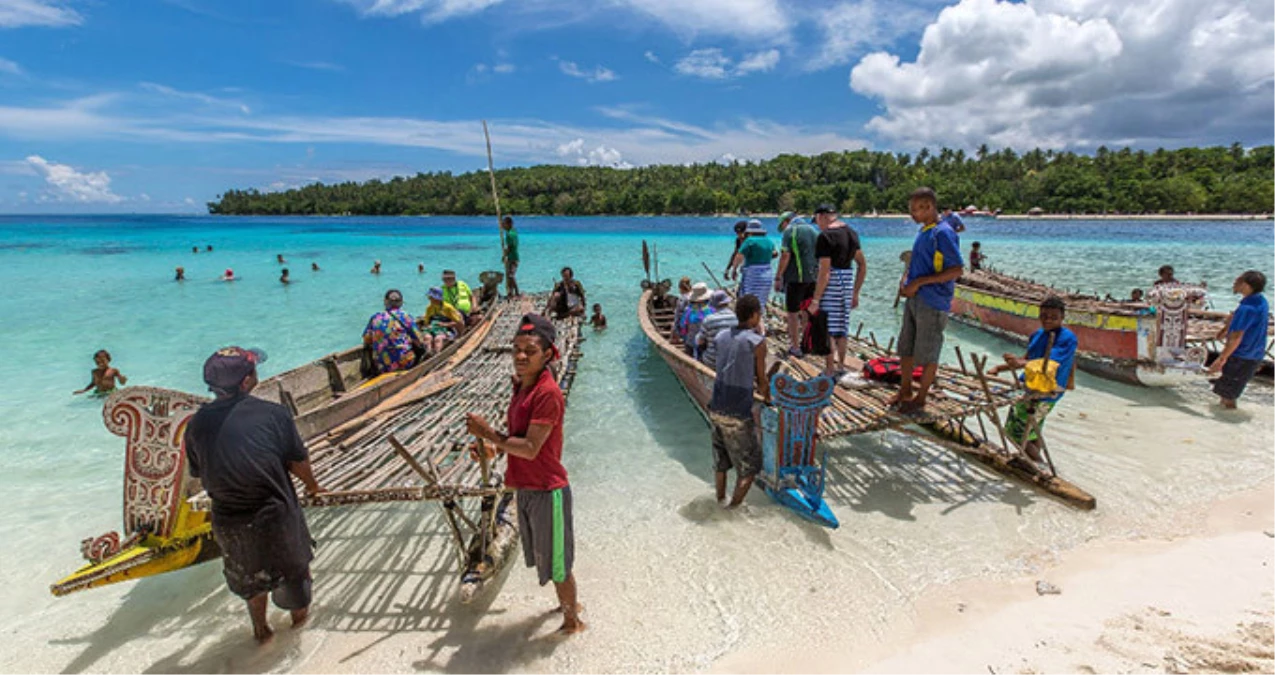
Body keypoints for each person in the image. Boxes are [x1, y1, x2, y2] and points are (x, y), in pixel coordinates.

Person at [183, 346, 323, 643]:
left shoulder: (195, 425)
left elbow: (198, 471)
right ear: (246, 382)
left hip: (229, 522)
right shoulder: (273, 414)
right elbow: (297, 462)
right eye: (252, 369)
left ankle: (261, 633)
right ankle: (298, 637)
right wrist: (313, 487)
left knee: (251, 583)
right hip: (275, 516)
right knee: (297, 585)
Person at [466, 314, 584, 635]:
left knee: (559, 566)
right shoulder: (522, 387)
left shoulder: (547, 393)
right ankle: (567, 608)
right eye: (516, 349)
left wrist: (490, 434)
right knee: (548, 559)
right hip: (527, 488)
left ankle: (573, 624)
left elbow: (532, 448)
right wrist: (495, 449)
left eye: (529, 350)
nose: (520, 356)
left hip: (548, 489)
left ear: (548, 355)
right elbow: (519, 437)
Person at [891, 187, 964, 413]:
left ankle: (920, 398)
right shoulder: (924, 231)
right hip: (915, 298)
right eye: (911, 210)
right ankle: (905, 390)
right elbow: (916, 262)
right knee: (906, 347)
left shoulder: (943, 233)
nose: (913, 214)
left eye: (916, 209)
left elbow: (957, 270)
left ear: (929, 207)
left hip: (933, 301)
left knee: (929, 352)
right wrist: (906, 280)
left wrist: (919, 282)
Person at [990, 297, 1077, 466]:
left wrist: (1020, 363)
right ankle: (1029, 458)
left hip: (1047, 392)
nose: (1048, 320)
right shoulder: (1037, 335)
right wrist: (1000, 369)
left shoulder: (1067, 338)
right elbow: (1028, 359)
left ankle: (1037, 464)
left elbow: (1049, 362)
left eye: (1053, 317)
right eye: (1044, 315)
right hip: (1029, 387)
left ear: (1062, 317)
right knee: (1032, 430)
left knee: (1014, 432)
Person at [708, 294, 769, 508]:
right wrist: (768, 399)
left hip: (716, 407)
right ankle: (732, 510)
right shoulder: (757, 342)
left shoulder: (721, 336)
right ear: (753, 316)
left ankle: (719, 501)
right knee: (750, 469)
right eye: (759, 314)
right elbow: (762, 380)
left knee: (721, 464)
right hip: (738, 413)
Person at [808, 204, 867, 376]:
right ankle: (841, 365)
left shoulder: (825, 237)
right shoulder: (851, 233)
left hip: (832, 285)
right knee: (842, 328)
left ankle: (830, 368)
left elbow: (824, 272)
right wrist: (855, 292)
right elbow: (862, 265)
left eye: (817, 220)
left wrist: (816, 299)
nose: (817, 225)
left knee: (828, 329)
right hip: (847, 283)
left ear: (822, 216)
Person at [1208, 270, 1269, 409]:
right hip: (1254, 354)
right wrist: (1224, 330)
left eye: (1238, 281)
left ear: (1246, 285)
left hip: (1242, 356)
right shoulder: (1260, 300)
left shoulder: (1246, 308)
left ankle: (1228, 422)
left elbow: (1236, 337)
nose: (1234, 283)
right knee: (1226, 392)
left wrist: (1221, 359)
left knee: (1228, 396)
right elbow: (1236, 316)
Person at [774, 215, 819, 357]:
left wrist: (778, 276)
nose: (782, 230)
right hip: (813, 278)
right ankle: (806, 344)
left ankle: (794, 346)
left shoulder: (790, 231)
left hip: (795, 279)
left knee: (792, 314)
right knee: (806, 311)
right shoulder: (814, 231)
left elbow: (785, 256)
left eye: (782, 226)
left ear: (786, 222)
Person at [362, 289, 423, 373]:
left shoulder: (375, 317)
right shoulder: (405, 316)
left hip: (381, 364)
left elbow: (366, 339)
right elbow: (419, 339)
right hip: (403, 362)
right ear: (401, 302)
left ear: (385, 301)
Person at [729, 220, 775, 309]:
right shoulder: (768, 241)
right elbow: (775, 253)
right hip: (767, 274)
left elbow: (739, 256)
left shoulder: (749, 241)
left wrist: (734, 270)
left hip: (752, 275)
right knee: (760, 302)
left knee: (748, 301)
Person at [697, 290, 737, 369]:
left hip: (712, 362)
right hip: (732, 362)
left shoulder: (708, 319)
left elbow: (700, 341)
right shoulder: (736, 318)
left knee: (698, 343)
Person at [420, 287, 466, 355]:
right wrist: (428, 326)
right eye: (430, 297)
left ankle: (437, 355)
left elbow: (459, 322)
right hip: (433, 329)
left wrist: (445, 325)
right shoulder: (429, 308)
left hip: (447, 330)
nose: (430, 299)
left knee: (438, 339)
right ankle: (428, 354)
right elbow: (426, 323)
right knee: (427, 337)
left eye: (431, 297)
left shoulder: (448, 308)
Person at [676, 282, 713, 357]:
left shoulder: (688, 311)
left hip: (691, 343)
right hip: (708, 344)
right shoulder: (712, 310)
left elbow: (682, 326)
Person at [502, 216, 521, 297]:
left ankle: (516, 292)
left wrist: (504, 255)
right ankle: (510, 293)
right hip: (513, 257)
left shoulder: (510, 234)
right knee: (508, 275)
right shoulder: (513, 232)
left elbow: (510, 247)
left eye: (504, 224)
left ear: (509, 224)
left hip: (513, 257)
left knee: (510, 275)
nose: (502, 226)